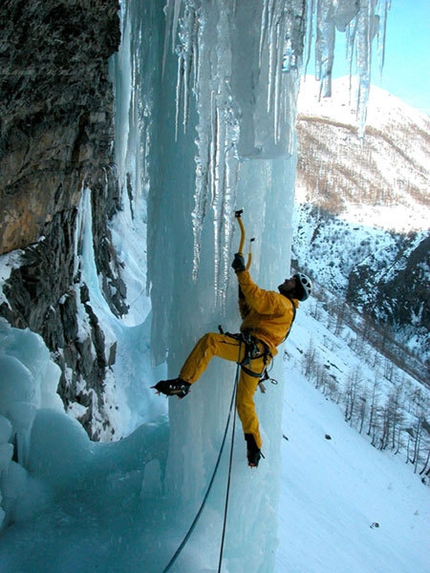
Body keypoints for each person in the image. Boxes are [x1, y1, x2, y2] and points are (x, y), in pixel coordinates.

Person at [153, 253, 312, 467]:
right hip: (259, 358)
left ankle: (184, 383)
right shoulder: (284, 309)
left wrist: (241, 272)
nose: (286, 280)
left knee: (211, 342)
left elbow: (258, 298)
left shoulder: (282, 302)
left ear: (295, 290)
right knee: (245, 402)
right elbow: (250, 315)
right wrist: (241, 294)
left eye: (291, 281)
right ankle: (254, 446)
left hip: (251, 349)